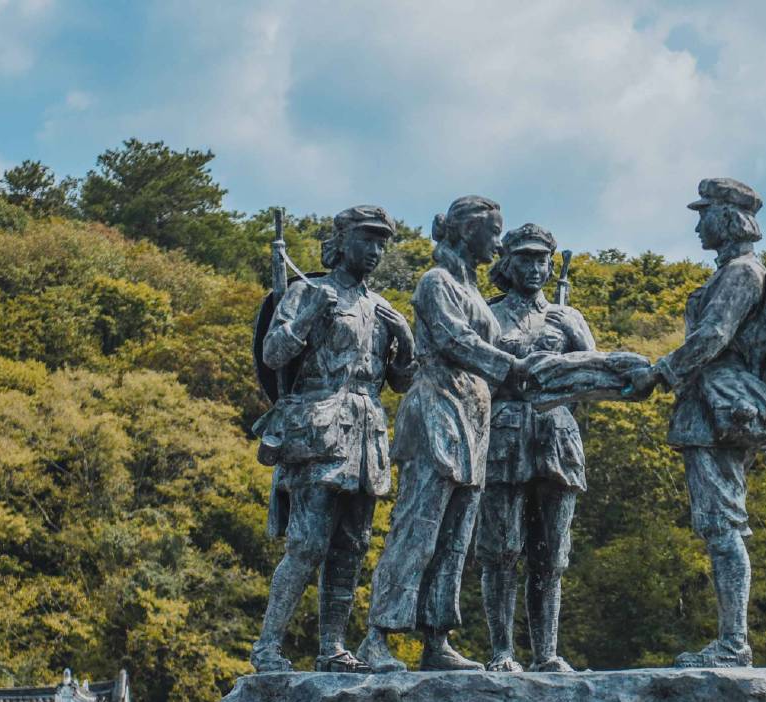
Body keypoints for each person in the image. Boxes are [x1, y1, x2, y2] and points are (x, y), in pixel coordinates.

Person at [356, 195, 534, 672]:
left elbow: (494, 346)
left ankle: (436, 636)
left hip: (475, 415)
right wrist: (510, 365)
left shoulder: (473, 289)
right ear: (466, 230)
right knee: (418, 527)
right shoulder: (436, 282)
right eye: (493, 232)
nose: (498, 241)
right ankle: (378, 637)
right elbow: (456, 340)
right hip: (437, 406)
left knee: (457, 535)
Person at [249, 205, 415, 673]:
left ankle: (333, 648)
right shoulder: (308, 290)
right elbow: (273, 352)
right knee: (306, 544)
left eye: (382, 242)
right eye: (367, 239)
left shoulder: (381, 309)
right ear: (341, 241)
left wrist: (405, 335)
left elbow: (402, 382)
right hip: (318, 427)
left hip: (367, 434)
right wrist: (306, 320)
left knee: (352, 546)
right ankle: (267, 648)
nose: (375, 250)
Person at [622, 178, 766, 667]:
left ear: (726, 218)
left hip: (717, 411)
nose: (696, 224)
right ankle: (732, 640)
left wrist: (660, 373)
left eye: (703, 214)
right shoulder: (731, 271)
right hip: (705, 408)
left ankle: (734, 643)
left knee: (724, 526)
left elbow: (713, 335)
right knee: (716, 526)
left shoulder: (742, 273)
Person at [478, 223, 595, 672]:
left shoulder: (568, 316)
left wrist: (578, 340)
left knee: (552, 554)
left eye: (542, 259)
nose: (535, 267)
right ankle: (502, 651)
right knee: (501, 550)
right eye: (525, 258)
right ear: (507, 263)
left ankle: (546, 652)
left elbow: (591, 379)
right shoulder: (489, 315)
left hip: (556, 438)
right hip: (505, 435)